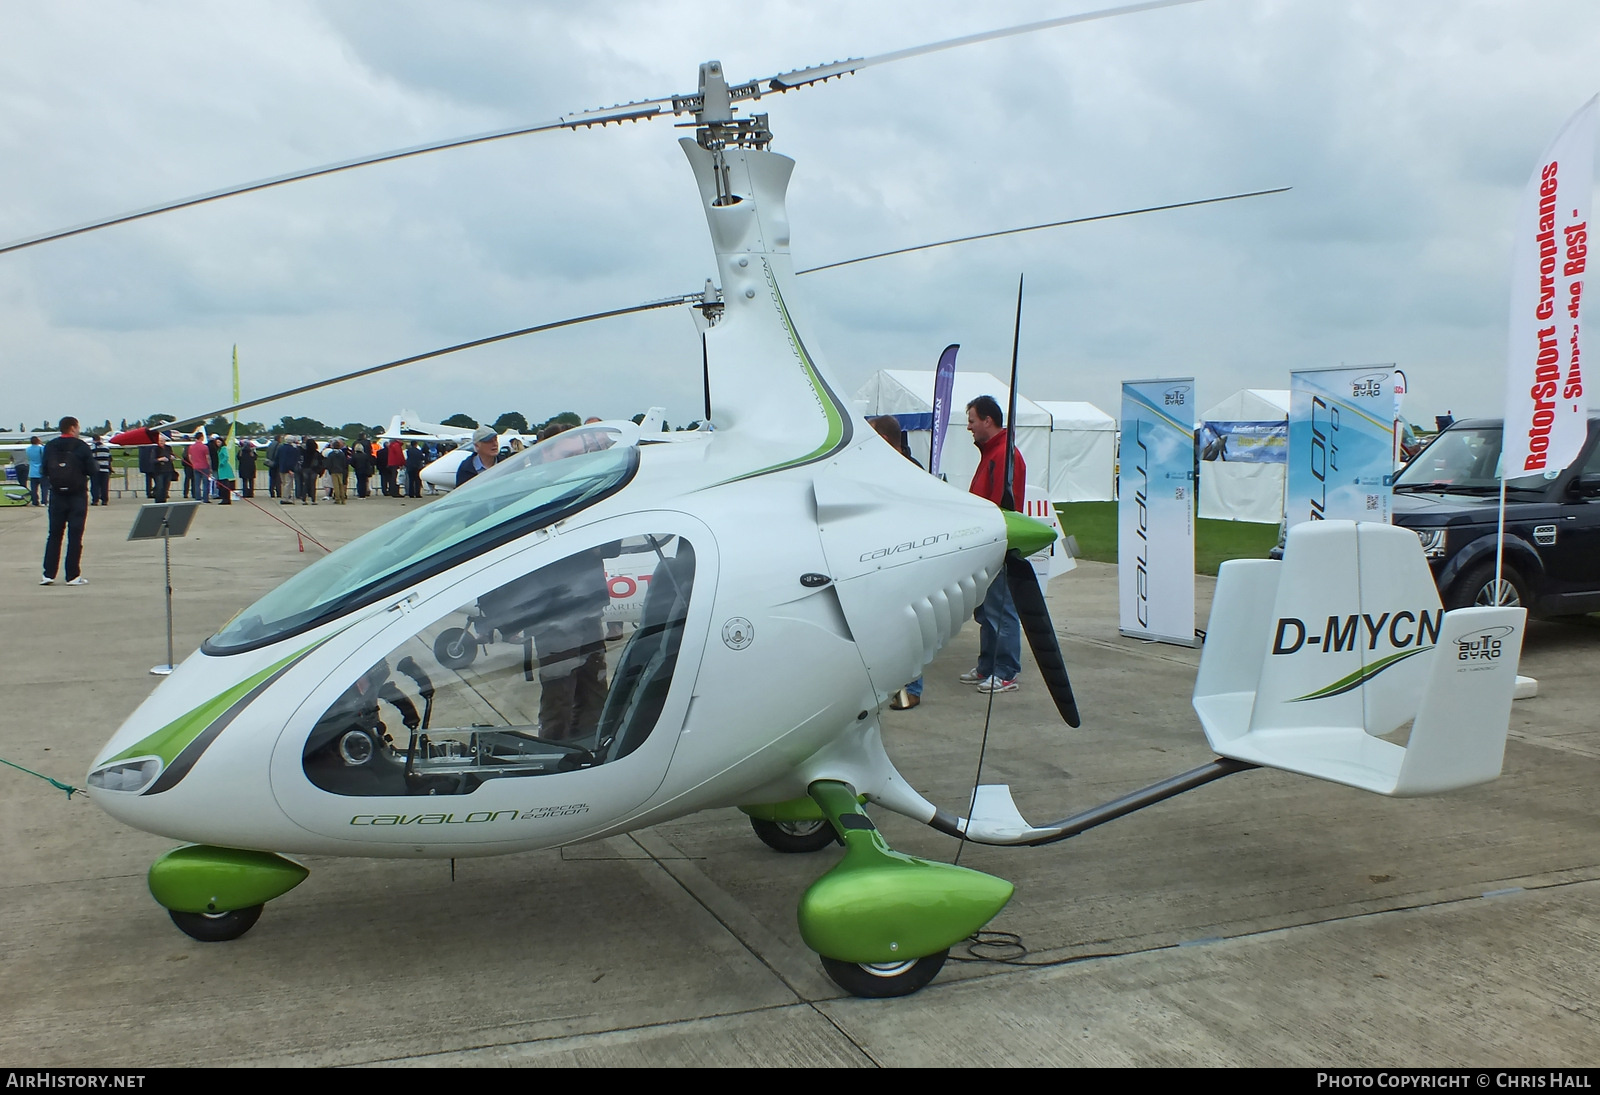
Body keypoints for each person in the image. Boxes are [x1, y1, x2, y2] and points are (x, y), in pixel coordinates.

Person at [960, 395, 1025, 694]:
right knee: (987, 610)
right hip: (986, 545)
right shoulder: (991, 453)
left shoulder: (1004, 455)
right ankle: (988, 664)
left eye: (972, 420)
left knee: (1001, 610)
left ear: (987, 420)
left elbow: (1000, 504)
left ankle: (1006, 669)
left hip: (997, 544)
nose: (969, 427)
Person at [867, 416, 928, 710]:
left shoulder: (910, 473)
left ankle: (910, 689)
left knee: (909, 631)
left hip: (907, 562)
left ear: (887, 441)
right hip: (882, 561)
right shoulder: (881, 471)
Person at [40, 417, 94, 586]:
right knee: (75, 536)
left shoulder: (51, 445)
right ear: (72, 428)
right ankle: (72, 575)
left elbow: (44, 469)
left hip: (57, 495)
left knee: (54, 535)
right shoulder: (81, 446)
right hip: (77, 495)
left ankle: (48, 574)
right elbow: (92, 470)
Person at [275, 434, 300, 504]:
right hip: (288, 469)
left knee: (284, 483)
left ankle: (285, 496)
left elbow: (277, 458)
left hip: (281, 468)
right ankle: (286, 498)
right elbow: (293, 460)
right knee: (288, 484)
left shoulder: (280, 448)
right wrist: (291, 469)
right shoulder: (293, 449)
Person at [187, 434, 212, 503]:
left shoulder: (191, 447)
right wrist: (209, 466)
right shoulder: (205, 447)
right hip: (204, 466)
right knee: (205, 483)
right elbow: (207, 458)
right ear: (201, 438)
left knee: (197, 483)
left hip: (196, 466)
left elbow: (190, 457)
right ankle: (205, 498)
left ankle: (198, 497)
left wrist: (193, 463)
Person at [323, 439, 349, 504]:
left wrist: (330, 470)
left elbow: (329, 463)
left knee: (336, 485)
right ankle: (343, 498)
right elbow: (344, 462)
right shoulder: (342, 454)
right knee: (341, 484)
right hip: (340, 470)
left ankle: (337, 498)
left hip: (333, 471)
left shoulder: (331, 454)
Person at [151, 435, 176, 503]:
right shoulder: (155, 449)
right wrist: (160, 459)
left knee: (166, 486)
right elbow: (152, 460)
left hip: (168, 470)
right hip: (159, 471)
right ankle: (158, 501)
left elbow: (172, 455)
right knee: (160, 486)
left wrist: (172, 457)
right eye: (160, 441)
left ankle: (164, 500)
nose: (161, 442)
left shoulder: (168, 448)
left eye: (162, 441)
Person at [89, 434, 112, 506]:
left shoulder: (91, 448)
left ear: (93, 440)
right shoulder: (106, 448)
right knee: (104, 485)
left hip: (95, 469)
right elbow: (110, 459)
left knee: (95, 485)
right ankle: (104, 500)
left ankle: (95, 500)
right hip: (105, 469)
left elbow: (90, 459)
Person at [26, 436, 46, 506]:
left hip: (32, 471)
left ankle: (35, 501)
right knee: (44, 488)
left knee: (34, 489)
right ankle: (44, 501)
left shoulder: (28, 449)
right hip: (41, 471)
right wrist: (42, 444)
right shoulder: (41, 448)